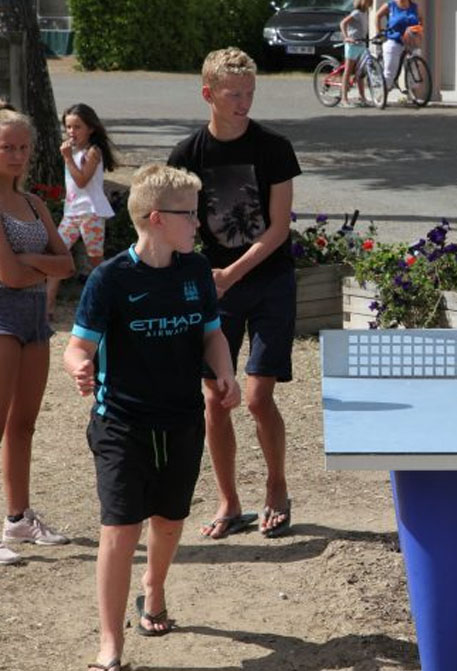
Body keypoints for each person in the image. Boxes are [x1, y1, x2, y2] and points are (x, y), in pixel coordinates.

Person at [64, 164, 241, 671]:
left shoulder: (194, 271)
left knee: (169, 521)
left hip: (182, 419)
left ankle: (154, 588)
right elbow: (77, 347)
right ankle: (110, 646)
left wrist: (224, 371)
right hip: (122, 422)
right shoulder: (110, 279)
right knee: (120, 529)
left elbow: (212, 334)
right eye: (191, 215)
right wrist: (79, 368)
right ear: (158, 219)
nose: (200, 225)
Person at [168, 47, 301, 540]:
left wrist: (231, 272)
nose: (244, 102)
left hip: (269, 283)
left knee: (257, 396)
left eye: (249, 93)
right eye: (234, 94)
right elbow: (174, 221)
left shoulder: (274, 147)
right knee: (217, 397)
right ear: (209, 94)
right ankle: (229, 500)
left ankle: (277, 486)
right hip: (215, 287)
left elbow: (280, 228)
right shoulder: (188, 155)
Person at [0, 109, 75, 566]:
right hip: (3, 314)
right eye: (7, 146)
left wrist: (31, 259)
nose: (16, 155)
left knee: (23, 425)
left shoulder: (33, 204)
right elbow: (7, 274)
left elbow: (67, 264)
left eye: (23, 147)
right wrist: (37, 261)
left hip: (33, 317)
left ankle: (18, 517)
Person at [46, 103, 118, 317]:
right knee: (57, 256)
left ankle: (112, 300)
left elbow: (82, 180)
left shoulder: (92, 152)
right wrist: (69, 156)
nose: (71, 132)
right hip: (72, 212)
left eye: (77, 127)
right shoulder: (74, 150)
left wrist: (67, 158)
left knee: (95, 259)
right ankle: (48, 307)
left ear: (90, 129)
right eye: (68, 127)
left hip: (91, 212)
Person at [375, 0, 423, 90]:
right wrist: (379, 33)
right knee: (390, 72)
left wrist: (419, 30)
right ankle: (382, 95)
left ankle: (412, 92)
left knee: (415, 65)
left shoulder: (414, 6)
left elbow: (420, 19)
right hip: (394, 39)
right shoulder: (391, 5)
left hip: (411, 41)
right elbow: (378, 16)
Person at [340, 0, 373, 107]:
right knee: (348, 71)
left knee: (360, 73)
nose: (368, 3)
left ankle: (362, 97)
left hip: (361, 44)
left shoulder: (366, 13)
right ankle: (344, 99)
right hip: (353, 45)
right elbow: (343, 23)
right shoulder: (356, 13)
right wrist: (346, 37)